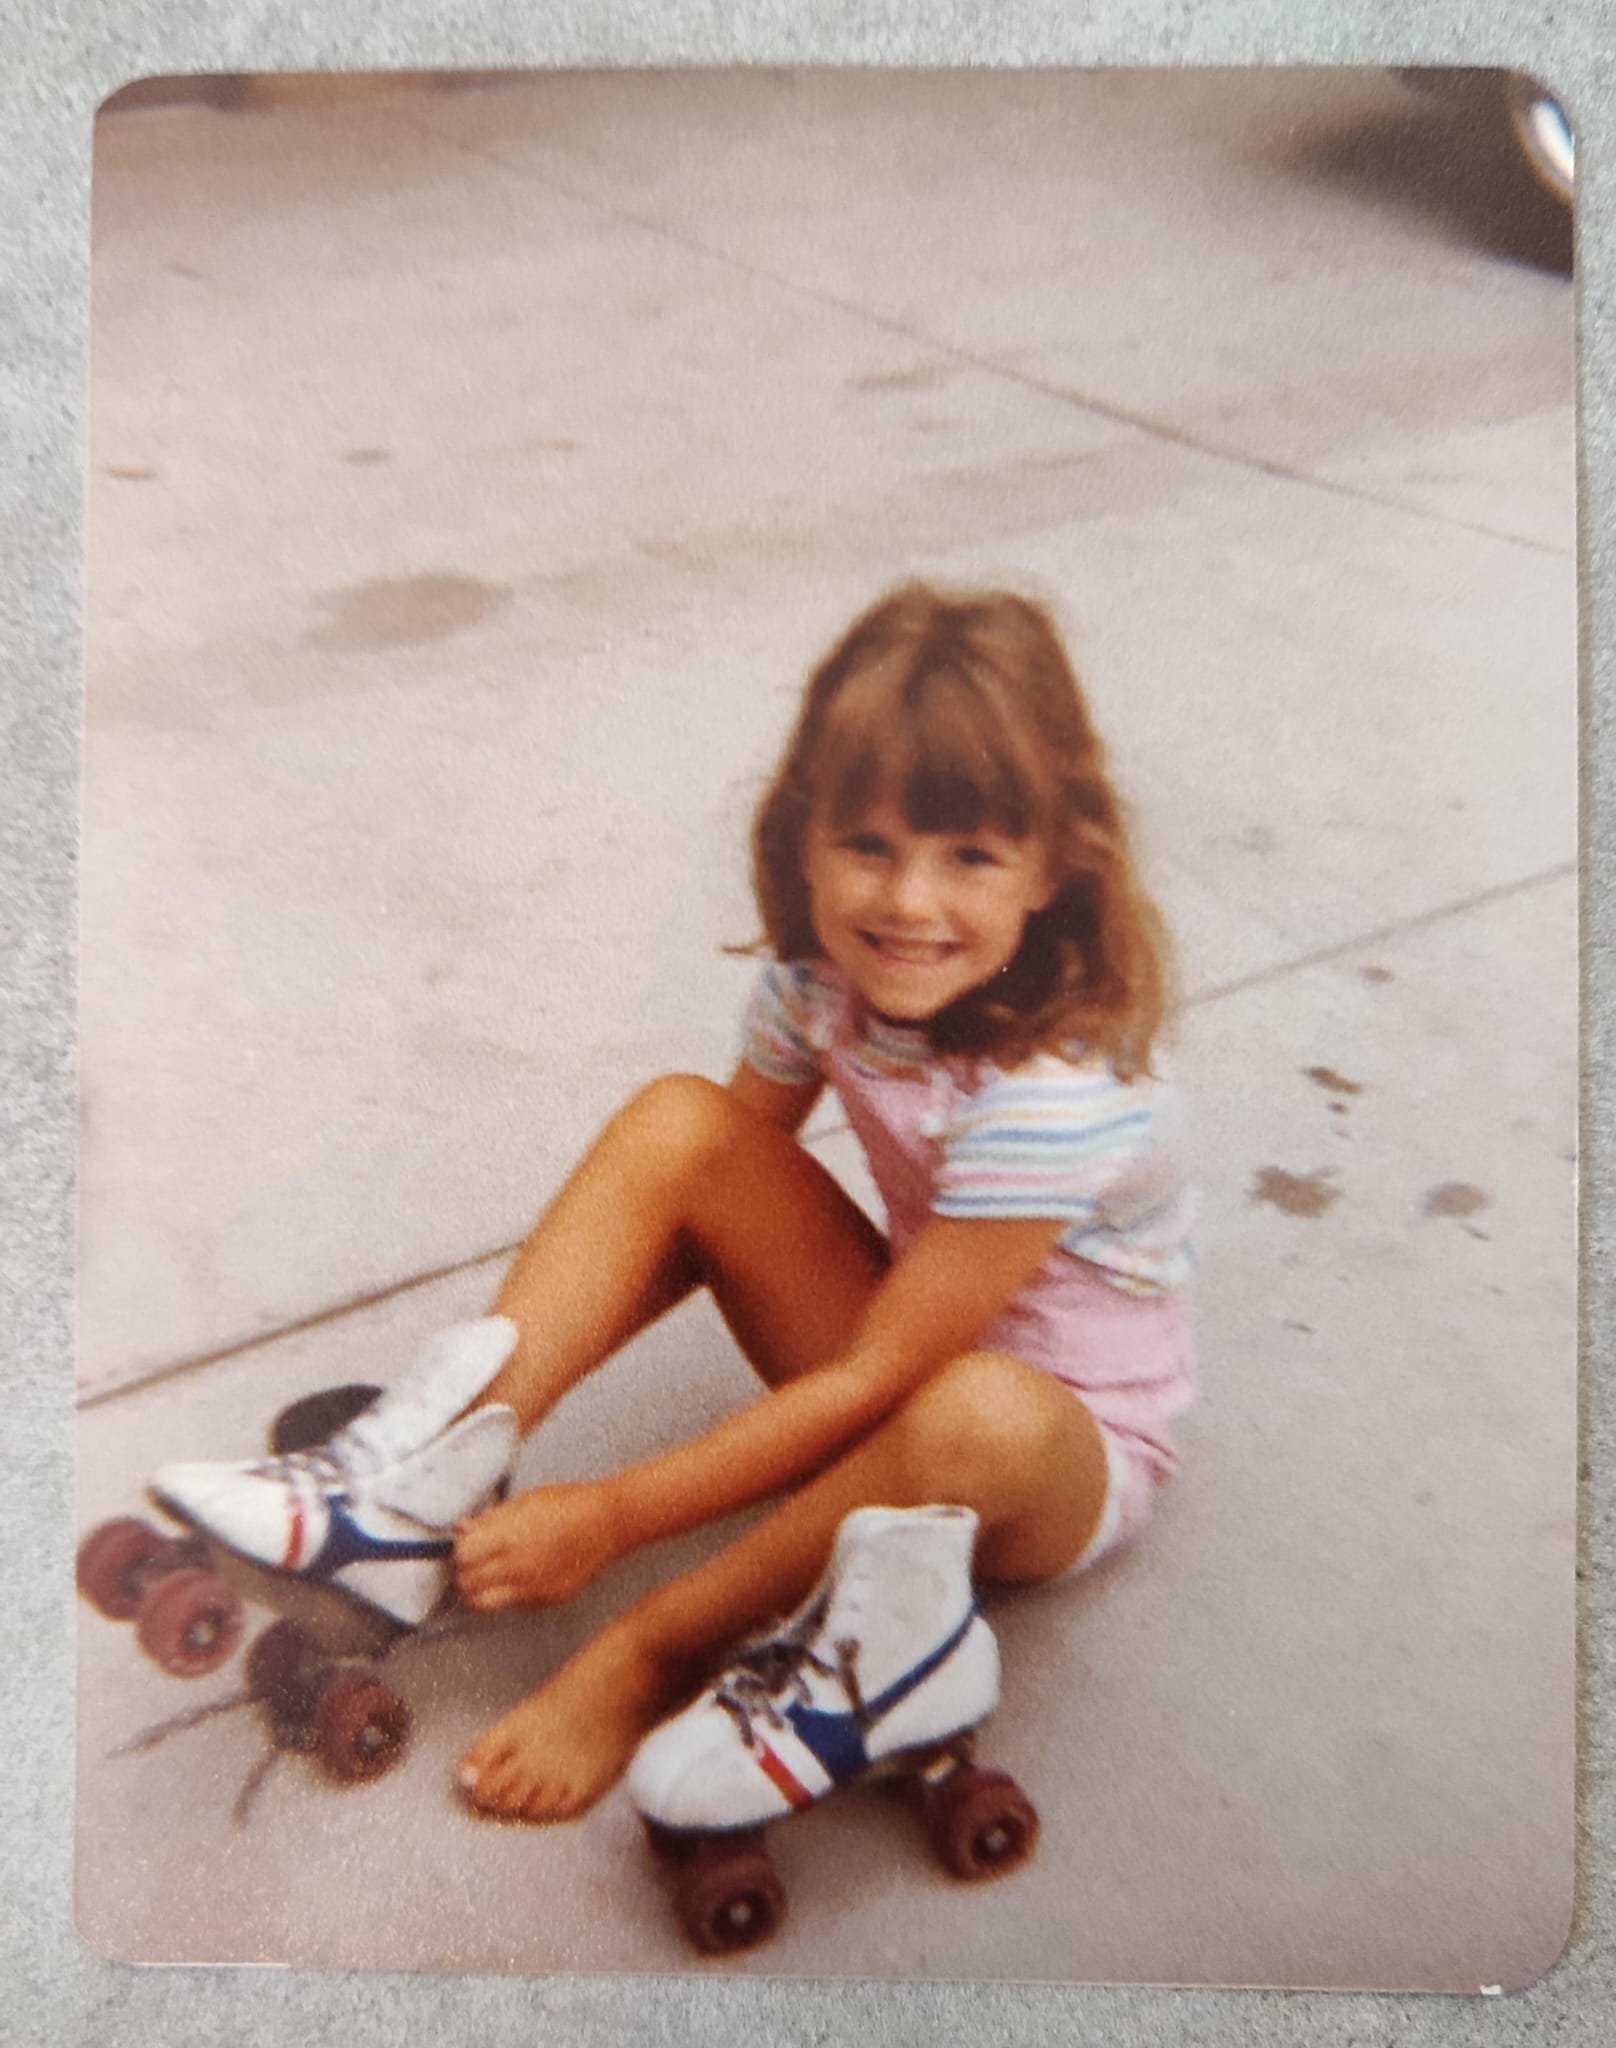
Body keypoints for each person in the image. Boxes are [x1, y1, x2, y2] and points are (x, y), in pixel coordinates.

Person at [152, 582, 1196, 1826]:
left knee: (976, 1411)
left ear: (1052, 868)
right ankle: (404, 1493)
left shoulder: (1052, 1095)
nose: (908, 903)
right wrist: (502, 1409)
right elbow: (692, 1206)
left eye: (967, 855)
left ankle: (648, 1654)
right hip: (894, 1343)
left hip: (1046, 1451)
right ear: (802, 833)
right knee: (677, 1120)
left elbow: (877, 1384)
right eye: (869, 845)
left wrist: (611, 1517)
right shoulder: (821, 985)